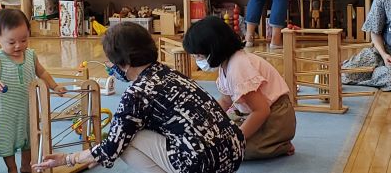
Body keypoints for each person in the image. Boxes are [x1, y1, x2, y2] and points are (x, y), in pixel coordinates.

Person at [33, 22, 245, 173]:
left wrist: (69, 158)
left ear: (124, 62)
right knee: (133, 131)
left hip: (204, 164)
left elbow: (112, 146)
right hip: (233, 153)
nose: (111, 67)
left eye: (112, 62)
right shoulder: (171, 73)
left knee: (128, 140)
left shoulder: (137, 94)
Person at [183, 16, 297, 160]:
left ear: (215, 49)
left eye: (199, 56)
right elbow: (225, 100)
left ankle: (279, 144)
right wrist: (206, 118)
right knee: (217, 131)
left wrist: (237, 139)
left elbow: (261, 111)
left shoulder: (237, 67)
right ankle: (266, 141)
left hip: (276, 116)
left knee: (233, 150)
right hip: (252, 112)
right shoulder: (226, 63)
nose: (198, 60)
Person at [0, 9, 67, 173]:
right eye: (11, 42)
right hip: (6, 113)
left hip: (29, 109)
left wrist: (55, 86)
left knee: (30, 138)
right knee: (7, 141)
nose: (18, 45)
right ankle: (11, 168)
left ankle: (26, 166)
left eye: (24, 40)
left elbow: (42, 72)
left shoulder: (30, 55)